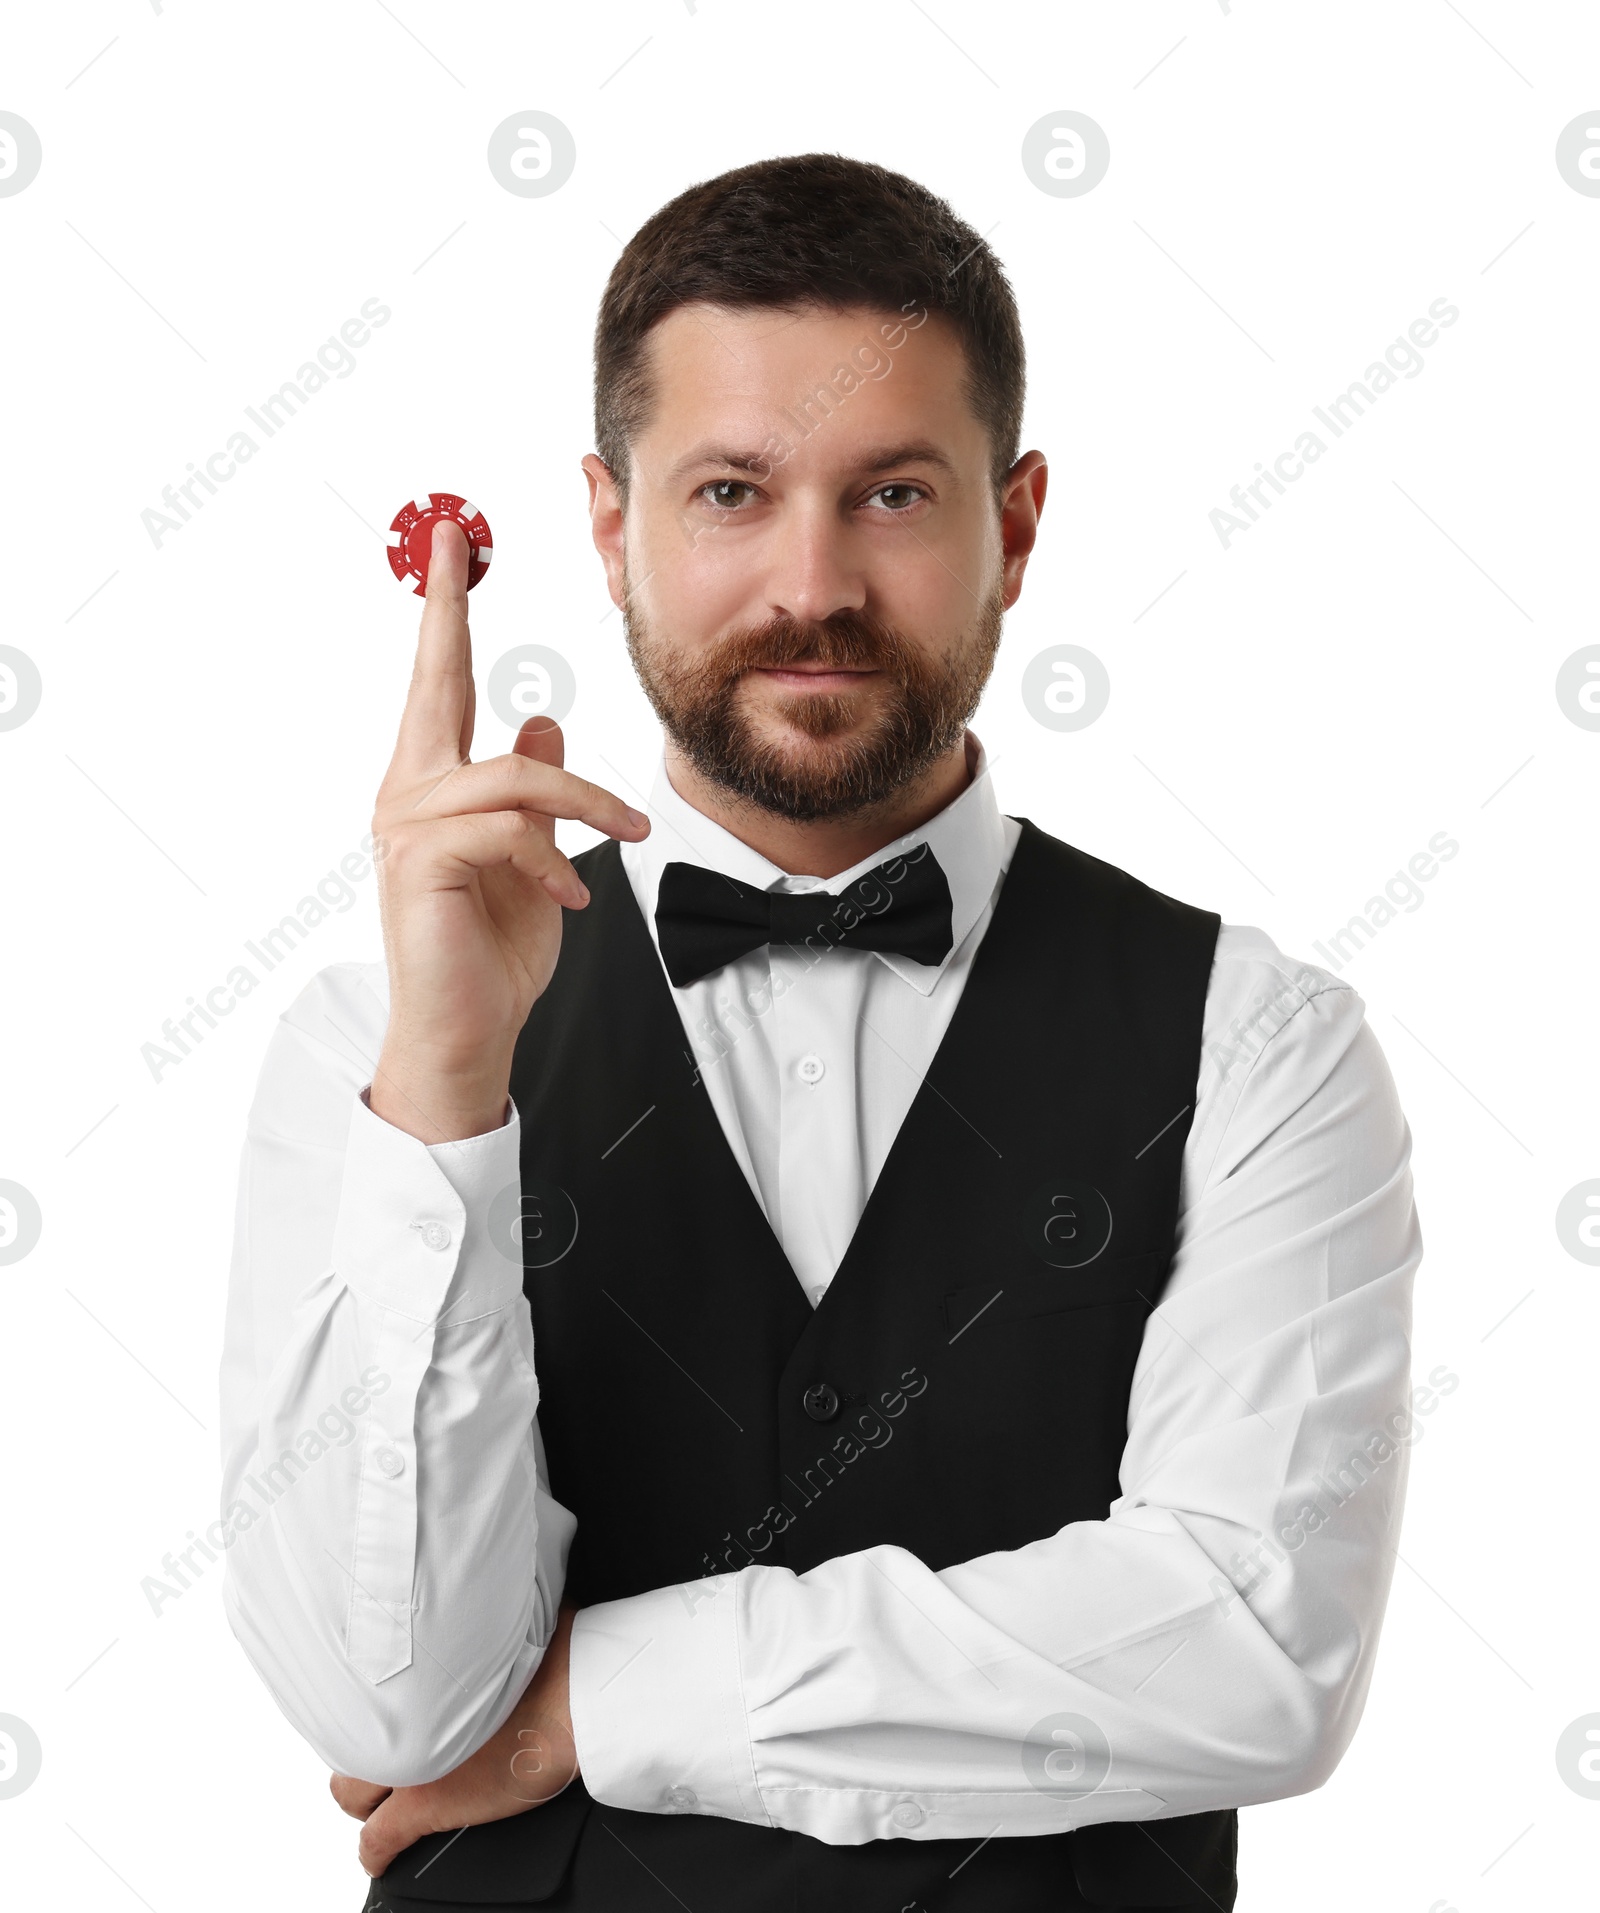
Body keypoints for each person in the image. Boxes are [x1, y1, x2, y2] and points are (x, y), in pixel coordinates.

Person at [218, 154, 1421, 1913]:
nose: (812, 585)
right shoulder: (366, 1049)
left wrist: (596, 1705)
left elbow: (1255, 1646)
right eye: (729, 490)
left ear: (1012, 525)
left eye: (892, 495)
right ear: (611, 520)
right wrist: (451, 1099)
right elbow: (384, 1697)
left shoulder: (1264, 1042)